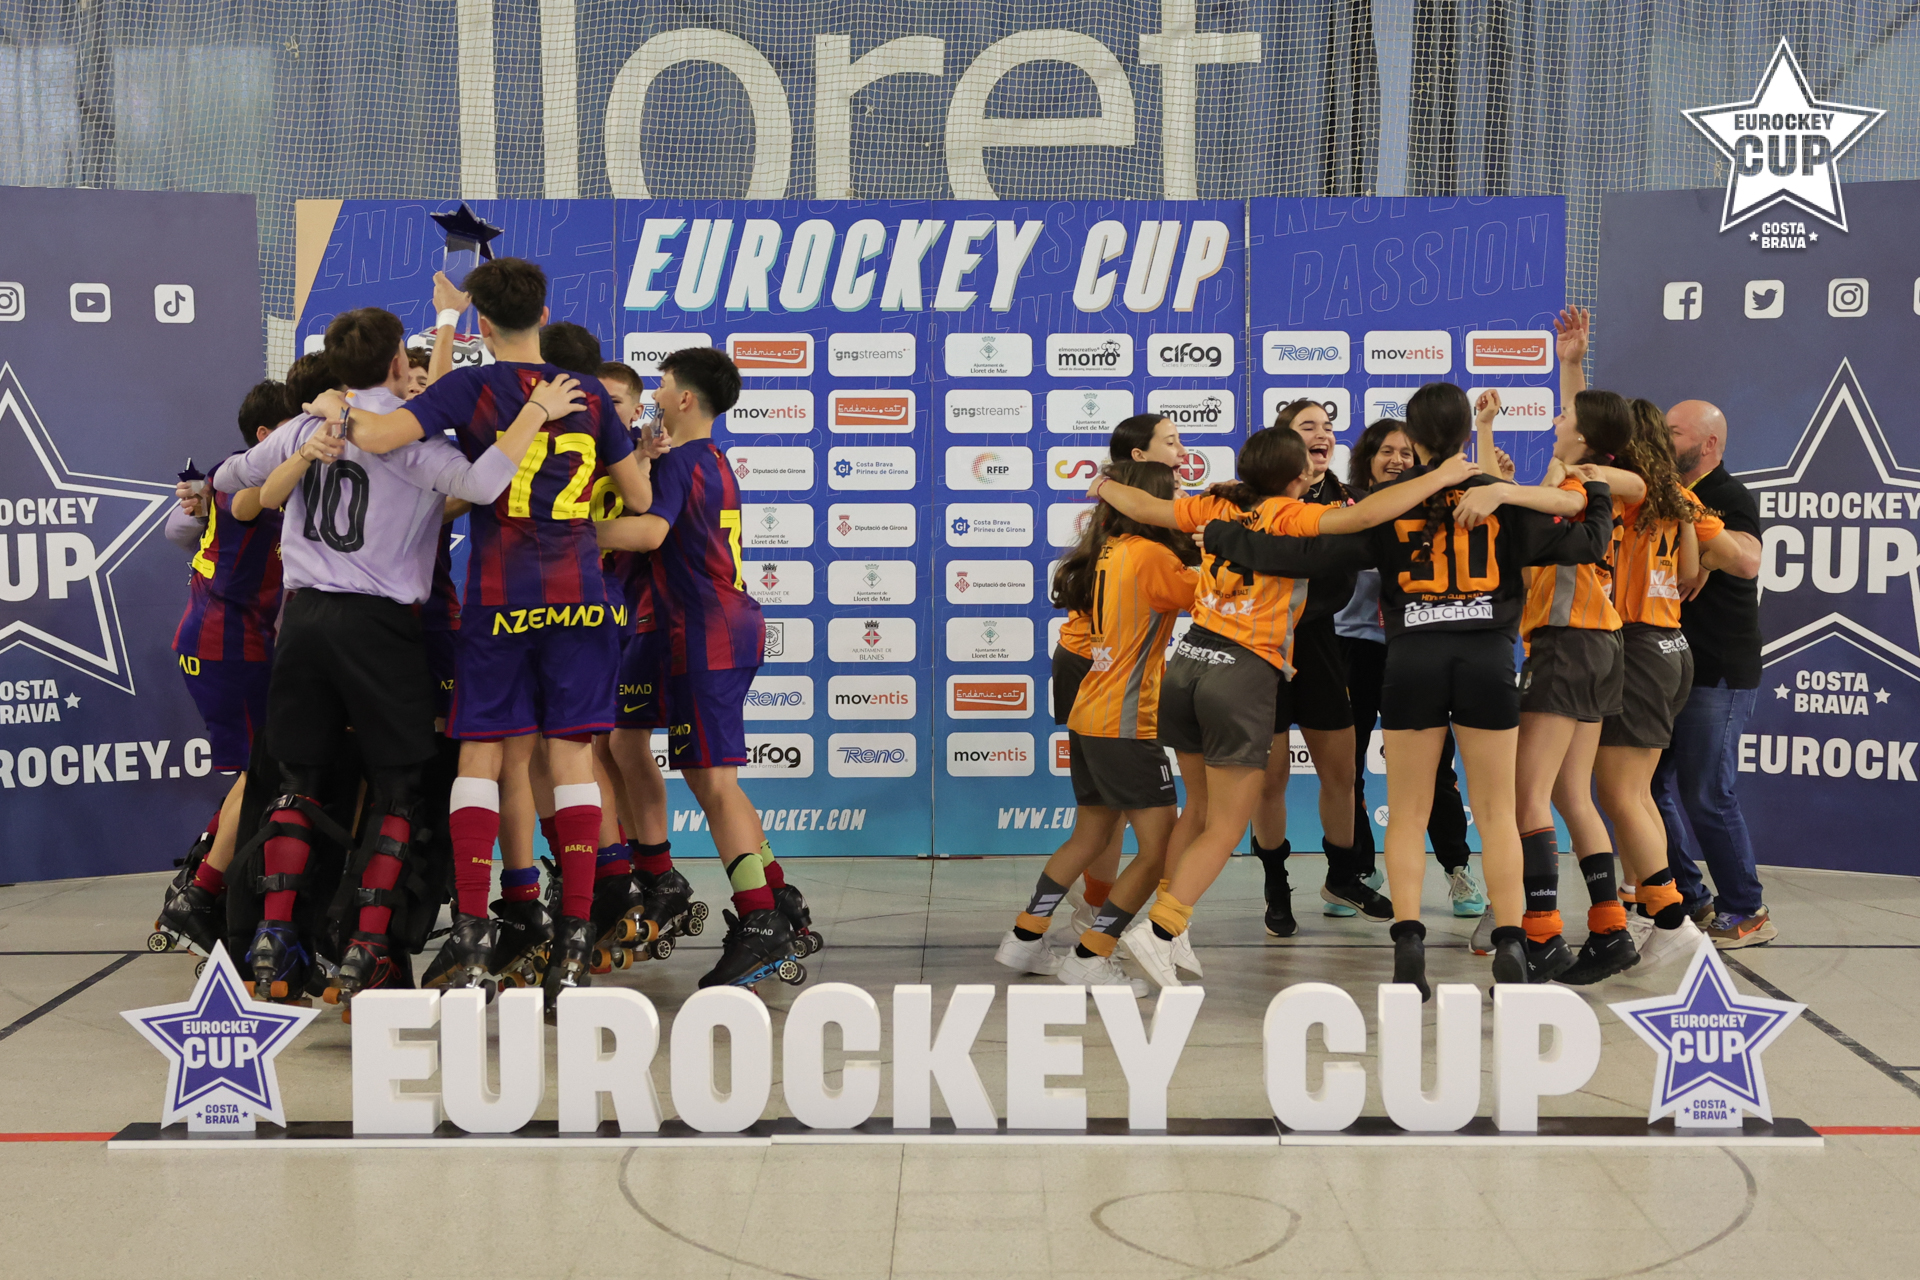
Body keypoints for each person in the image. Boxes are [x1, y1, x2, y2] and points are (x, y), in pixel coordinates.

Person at [312, 261, 657, 1009]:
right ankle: (574, 937)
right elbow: (639, 496)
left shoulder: (472, 387)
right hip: (579, 595)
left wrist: (332, 404)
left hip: (500, 597)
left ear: (483, 323)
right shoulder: (586, 391)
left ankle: (473, 932)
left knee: (482, 754)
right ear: (544, 312)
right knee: (572, 756)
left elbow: (379, 434)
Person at [1204, 384, 1615, 995]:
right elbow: (1588, 542)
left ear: (1414, 438)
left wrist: (1224, 537)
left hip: (1411, 661)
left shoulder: (1387, 503)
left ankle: (1408, 944)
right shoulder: (1501, 497)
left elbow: (1308, 556)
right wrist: (1599, 493)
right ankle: (1510, 941)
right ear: (1464, 433)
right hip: (1486, 661)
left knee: (1408, 813)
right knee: (1498, 812)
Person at [218, 306, 564, 1003]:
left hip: (302, 621)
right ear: (400, 365)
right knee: (400, 787)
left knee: (297, 780)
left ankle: (274, 939)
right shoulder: (410, 441)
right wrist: (534, 413)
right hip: (377, 626)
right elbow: (484, 484)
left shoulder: (307, 427)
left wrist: (304, 438)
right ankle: (369, 949)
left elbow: (230, 479)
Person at [1089, 427, 1478, 986]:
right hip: (1240, 674)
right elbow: (1366, 516)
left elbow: (1145, 506)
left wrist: (1105, 485)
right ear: (1299, 477)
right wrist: (1439, 476)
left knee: (1198, 811)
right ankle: (1161, 930)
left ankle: (1174, 933)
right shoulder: (1288, 514)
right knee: (1225, 826)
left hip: (1188, 664)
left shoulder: (1215, 503)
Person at [598, 345, 817, 990]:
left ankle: (759, 918)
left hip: (707, 632)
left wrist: (559, 531)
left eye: (662, 384)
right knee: (698, 773)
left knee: (714, 783)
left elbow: (649, 534)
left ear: (685, 398)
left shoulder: (682, 460)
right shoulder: (709, 458)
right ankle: (773, 895)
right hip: (706, 627)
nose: (654, 395)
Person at [997, 460, 1198, 994]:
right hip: (1125, 722)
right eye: (1174, 497)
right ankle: (1092, 953)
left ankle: (1025, 934)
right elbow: (1216, 594)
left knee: (1090, 833)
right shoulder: (1154, 556)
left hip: (1091, 710)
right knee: (1159, 850)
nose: (1183, 507)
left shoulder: (1111, 548)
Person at [152, 381, 292, 956]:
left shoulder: (236, 476)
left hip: (224, 639)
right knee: (262, 776)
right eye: (295, 428)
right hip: (226, 645)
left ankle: (199, 880)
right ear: (265, 436)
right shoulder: (244, 479)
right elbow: (182, 525)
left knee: (259, 773)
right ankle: (201, 893)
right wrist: (203, 495)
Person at [1046, 413, 1187, 949]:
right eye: (1171, 443)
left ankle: (1084, 916)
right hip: (1094, 665)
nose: (1182, 453)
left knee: (1105, 815)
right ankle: (1101, 919)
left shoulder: (1128, 512)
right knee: (1113, 816)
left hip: (1101, 665)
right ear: (1140, 458)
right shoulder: (1130, 520)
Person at [1334, 419, 1485, 919]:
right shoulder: (1349, 506)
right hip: (1354, 647)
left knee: (1436, 768)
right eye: (1387, 451)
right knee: (1347, 767)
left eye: (1405, 452)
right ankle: (1357, 871)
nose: (1397, 460)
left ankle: (1457, 868)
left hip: (1413, 649)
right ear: (1367, 457)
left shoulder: (1433, 505)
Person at [1248, 398, 1388, 935]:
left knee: (1342, 771)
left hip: (1322, 643)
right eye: (1308, 426)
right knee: (1271, 778)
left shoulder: (1350, 500)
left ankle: (1342, 877)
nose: (1322, 434)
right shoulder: (1254, 502)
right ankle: (1275, 884)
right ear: (1285, 440)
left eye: (1328, 427)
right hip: (1263, 646)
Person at [1654, 399, 1770, 947]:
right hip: (1666, 667)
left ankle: (1747, 908)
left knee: (1706, 793)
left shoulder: (1727, 494)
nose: (1664, 440)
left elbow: (1747, 558)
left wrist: (1705, 553)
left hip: (1717, 669)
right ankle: (1689, 895)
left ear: (1709, 444)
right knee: (1641, 787)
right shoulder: (1658, 494)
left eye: (1675, 432)